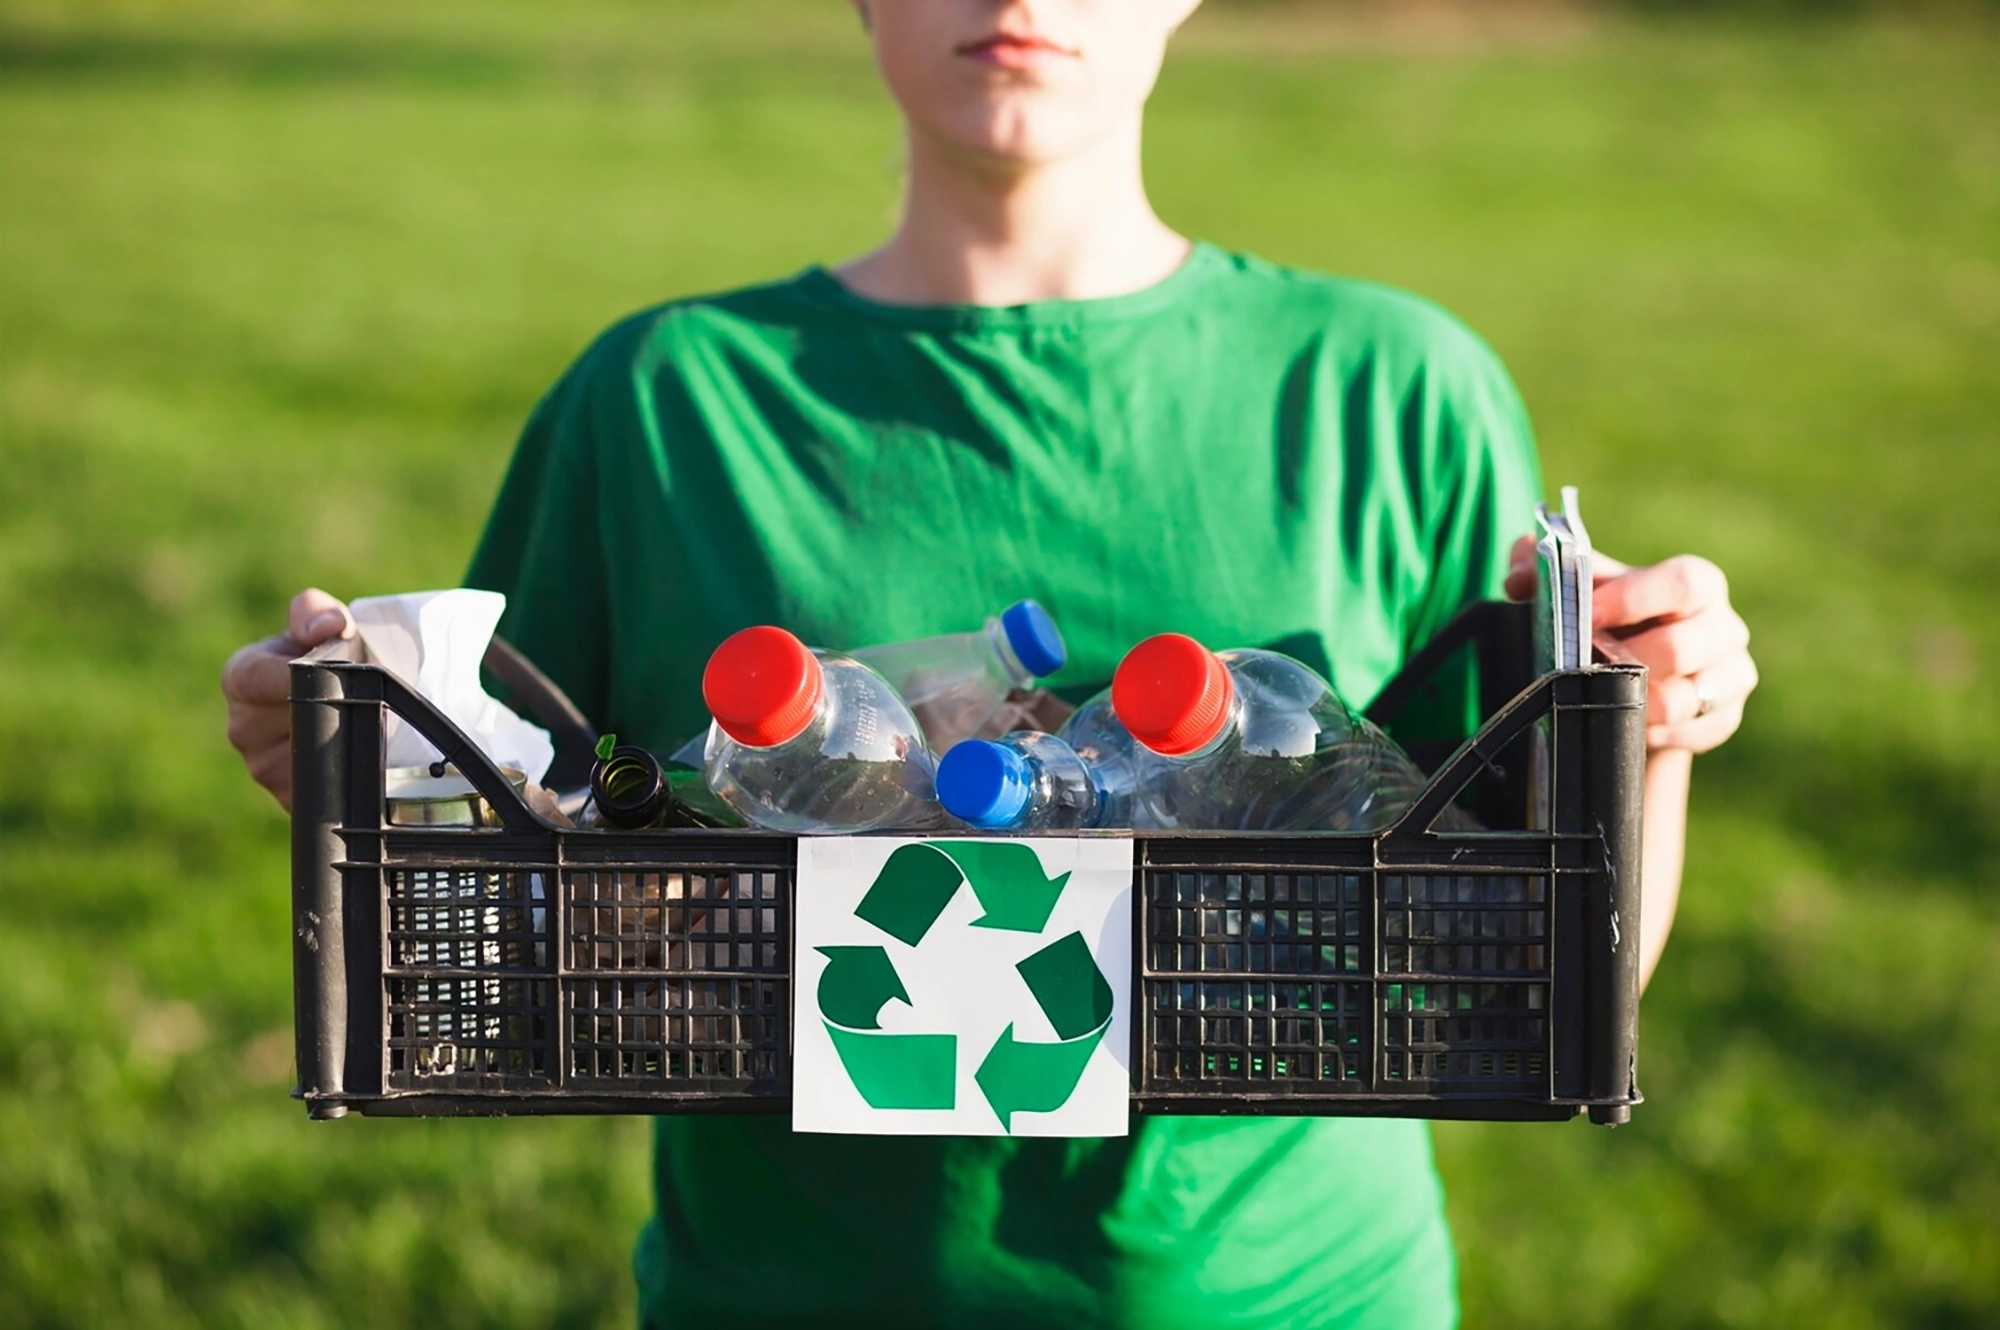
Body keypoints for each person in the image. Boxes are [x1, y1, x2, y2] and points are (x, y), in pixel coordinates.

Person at [222, 2, 1757, 1325]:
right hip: (785, 1294)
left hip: (1299, 1291)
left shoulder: (1390, 392)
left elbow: (1548, 961)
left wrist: (1652, 727)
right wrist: (362, 746)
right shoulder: (667, 403)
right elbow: (526, 878)